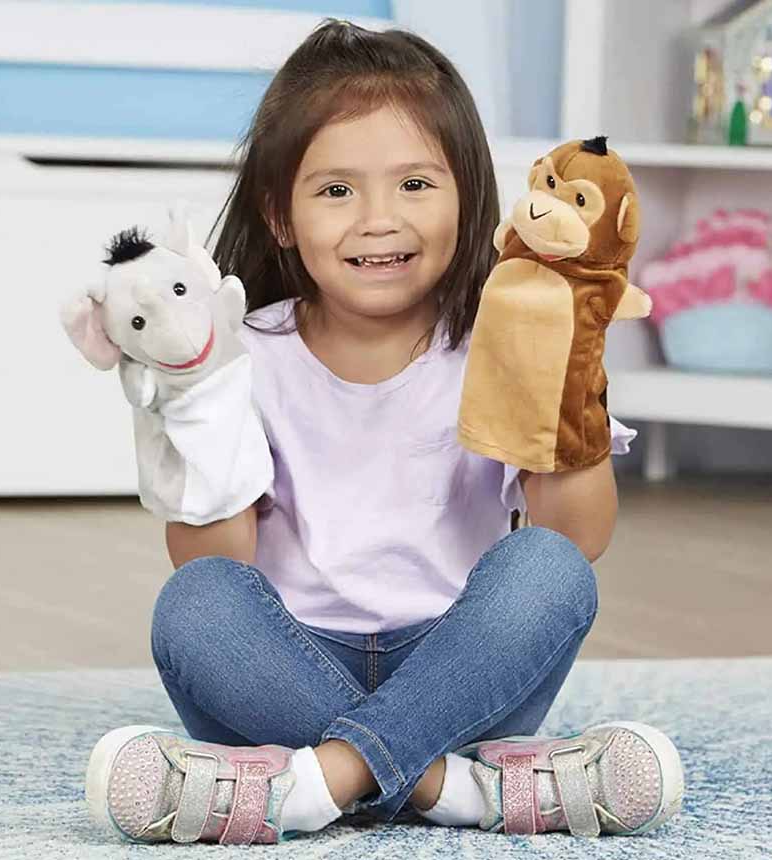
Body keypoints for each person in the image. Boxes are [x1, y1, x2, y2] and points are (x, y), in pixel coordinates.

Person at [84, 19, 683, 847]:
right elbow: (213, 560)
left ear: (469, 196)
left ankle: (308, 787)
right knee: (195, 606)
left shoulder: (505, 338)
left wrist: (568, 376)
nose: (377, 220)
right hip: (285, 670)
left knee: (549, 571)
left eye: (414, 185)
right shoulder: (242, 354)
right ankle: (460, 790)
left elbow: (578, 537)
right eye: (336, 191)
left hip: (463, 674)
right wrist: (195, 403)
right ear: (280, 215)